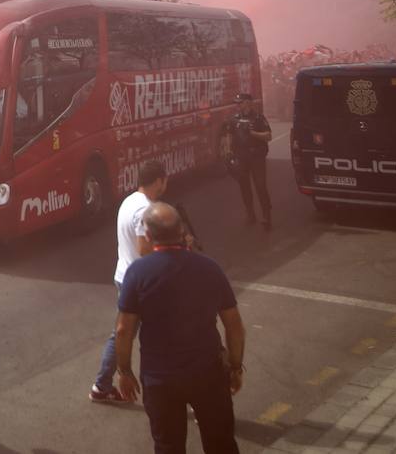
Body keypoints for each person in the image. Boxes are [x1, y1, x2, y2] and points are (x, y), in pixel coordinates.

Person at [115, 202, 245, 454]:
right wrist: (236, 366)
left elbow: (123, 330)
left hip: (160, 379)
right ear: (182, 231)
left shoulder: (138, 273)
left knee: (168, 446)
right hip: (208, 373)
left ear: (149, 236)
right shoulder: (209, 268)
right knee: (221, 444)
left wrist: (124, 371)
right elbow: (234, 324)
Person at [91, 159, 168, 404]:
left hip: (123, 276)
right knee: (156, 337)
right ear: (158, 181)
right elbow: (145, 249)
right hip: (142, 284)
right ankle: (161, 389)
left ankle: (101, 386)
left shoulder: (129, 201)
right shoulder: (146, 209)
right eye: (164, 181)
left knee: (122, 334)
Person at [228, 93, 273, 228]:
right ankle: (250, 214)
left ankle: (266, 215)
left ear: (248, 103)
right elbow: (230, 136)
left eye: (240, 103)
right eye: (237, 103)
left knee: (260, 186)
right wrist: (229, 153)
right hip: (242, 157)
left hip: (256, 157)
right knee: (244, 187)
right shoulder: (234, 119)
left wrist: (253, 133)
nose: (238, 106)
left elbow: (268, 136)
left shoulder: (258, 118)